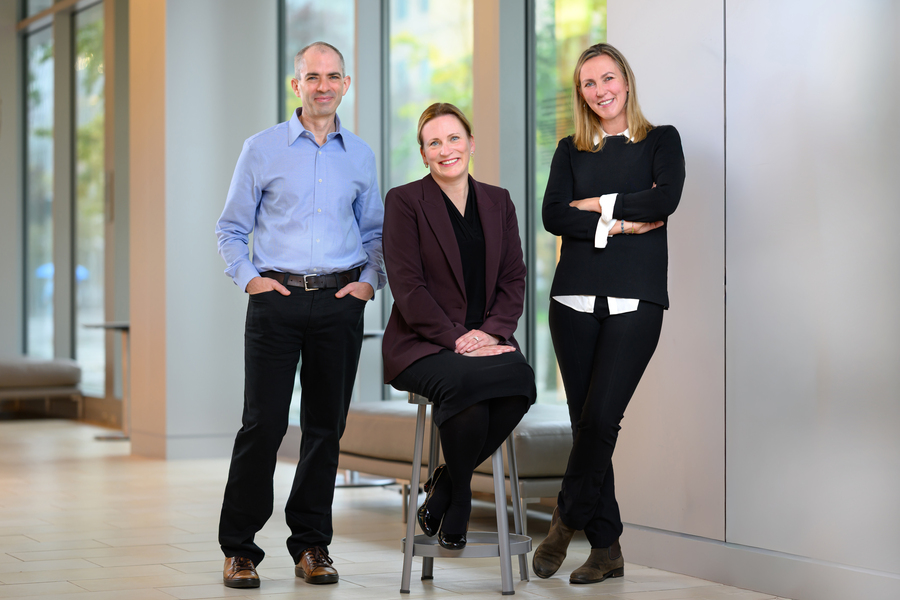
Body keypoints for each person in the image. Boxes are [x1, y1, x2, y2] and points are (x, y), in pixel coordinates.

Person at [214, 41, 384, 589]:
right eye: (313, 76)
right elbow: (231, 228)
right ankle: (239, 549)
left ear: (346, 84)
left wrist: (367, 283)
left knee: (324, 430)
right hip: (277, 302)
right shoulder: (261, 149)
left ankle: (312, 546)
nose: (323, 85)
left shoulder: (359, 155)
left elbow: (375, 232)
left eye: (333, 76)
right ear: (296, 85)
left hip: (339, 303)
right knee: (262, 425)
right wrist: (252, 282)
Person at [532, 43, 685, 584]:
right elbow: (553, 215)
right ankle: (608, 548)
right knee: (586, 426)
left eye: (607, 78)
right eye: (588, 84)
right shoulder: (569, 150)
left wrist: (595, 207)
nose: (600, 91)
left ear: (626, 79)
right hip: (572, 299)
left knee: (601, 420)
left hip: (636, 299)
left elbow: (664, 200)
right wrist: (622, 220)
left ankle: (564, 521)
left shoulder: (661, 141)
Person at [382, 103, 536, 550]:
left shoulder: (498, 200)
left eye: (454, 138)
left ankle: (448, 484)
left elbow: (513, 278)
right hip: (421, 341)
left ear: (471, 143)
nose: (446, 149)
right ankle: (463, 497)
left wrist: (488, 333)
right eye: (434, 142)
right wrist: (455, 339)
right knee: (467, 385)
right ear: (424, 154)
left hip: (488, 336)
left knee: (521, 381)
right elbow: (407, 288)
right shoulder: (405, 201)